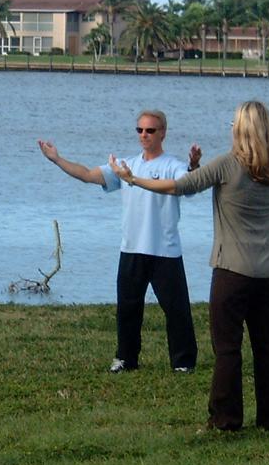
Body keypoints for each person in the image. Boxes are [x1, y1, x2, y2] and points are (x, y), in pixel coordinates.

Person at [109, 101, 269, 432]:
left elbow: (178, 187)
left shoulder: (226, 165)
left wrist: (133, 180)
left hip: (231, 274)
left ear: (239, 129)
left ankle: (225, 421)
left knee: (227, 351)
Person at [38, 110, 201, 373]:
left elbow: (188, 185)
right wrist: (57, 159)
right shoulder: (125, 165)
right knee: (128, 307)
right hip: (132, 248)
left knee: (176, 309)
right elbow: (88, 175)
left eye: (150, 130)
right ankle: (126, 358)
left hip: (165, 250)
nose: (144, 135)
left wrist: (194, 166)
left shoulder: (172, 165)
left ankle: (183, 362)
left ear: (163, 133)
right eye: (140, 130)